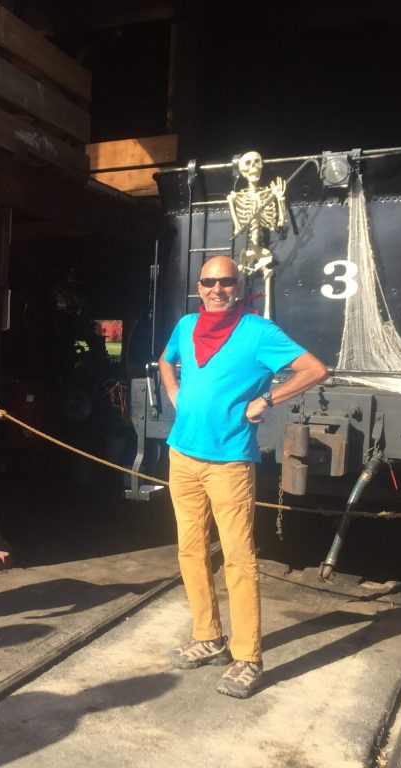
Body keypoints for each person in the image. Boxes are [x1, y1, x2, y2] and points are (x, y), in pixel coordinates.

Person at [159, 255, 327, 698]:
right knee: (190, 550)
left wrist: (268, 400)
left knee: (238, 558)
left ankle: (248, 657)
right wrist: (175, 393)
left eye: (226, 282)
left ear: (238, 286)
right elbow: (165, 362)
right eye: (209, 282)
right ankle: (208, 637)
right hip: (182, 456)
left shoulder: (258, 332)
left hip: (231, 462)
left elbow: (315, 369)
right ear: (199, 286)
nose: (217, 289)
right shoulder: (186, 326)